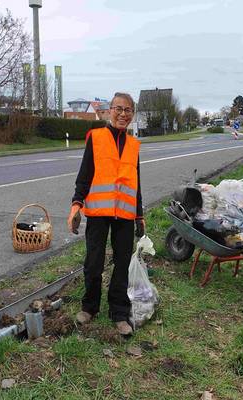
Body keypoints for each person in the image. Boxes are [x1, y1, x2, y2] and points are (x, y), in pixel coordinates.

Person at [67, 92, 145, 336]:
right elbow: (85, 173)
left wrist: (139, 215)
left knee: (122, 263)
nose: (123, 114)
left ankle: (119, 313)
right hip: (99, 212)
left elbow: (136, 182)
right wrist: (76, 204)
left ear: (132, 114)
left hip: (124, 213)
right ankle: (89, 307)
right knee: (94, 262)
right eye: (118, 109)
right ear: (110, 111)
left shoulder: (133, 145)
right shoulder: (96, 137)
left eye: (128, 110)